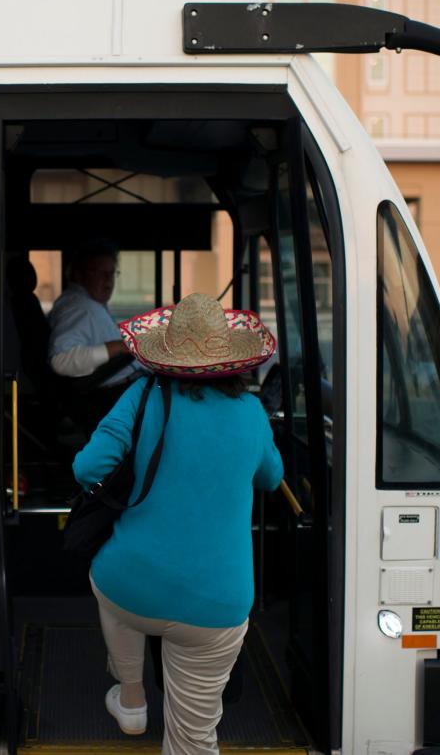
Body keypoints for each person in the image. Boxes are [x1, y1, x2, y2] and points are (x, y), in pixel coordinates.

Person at [72, 292, 283, 755]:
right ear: (232, 360)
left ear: (167, 353)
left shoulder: (142, 396)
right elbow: (272, 477)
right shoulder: (250, 413)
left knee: (105, 580)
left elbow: (87, 469)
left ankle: (130, 699)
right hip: (215, 606)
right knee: (192, 739)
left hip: (131, 586)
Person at [47, 240, 144, 428]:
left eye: (112, 273)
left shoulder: (90, 304)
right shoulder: (79, 308)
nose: (108, 280)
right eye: (101, 273)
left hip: (123, 390)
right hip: (113, 398)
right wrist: (119, 347)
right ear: (79, 275)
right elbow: (61, 361)